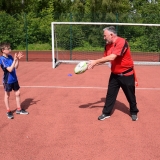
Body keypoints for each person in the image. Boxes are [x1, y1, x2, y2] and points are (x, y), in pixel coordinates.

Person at [88, 26, 139, 121]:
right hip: (115, 75)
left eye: (105, 36)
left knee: (130, 95)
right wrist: (94, 63)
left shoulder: (121, 42)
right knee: (110, 94)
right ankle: (106, 113)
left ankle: (134, 112)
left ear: (111, 35)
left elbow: (112, 57)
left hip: (126, 75)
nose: (104, 38)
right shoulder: (107, 45)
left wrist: (95, 61)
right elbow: (105, 59)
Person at [0, 42, 29, 119]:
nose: (10, 49)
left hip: (14, 79)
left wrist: (17, 60)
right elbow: (9, 69)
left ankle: (18, 109)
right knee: (7, 95)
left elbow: (16, 67)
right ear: (3, 50)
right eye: (8, 48)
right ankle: (8, 111)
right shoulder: (2, 59)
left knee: (18, 93)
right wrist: (14, 60)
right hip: (8, 80)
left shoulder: (10, 56)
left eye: (10, 48)